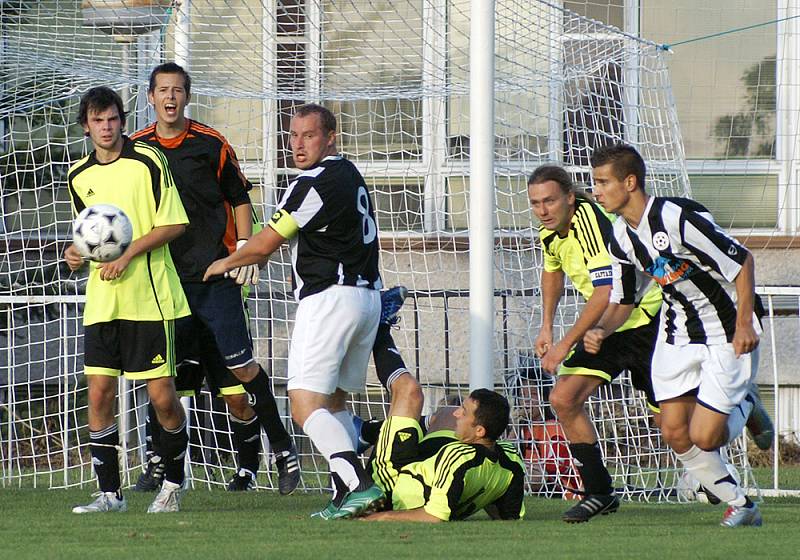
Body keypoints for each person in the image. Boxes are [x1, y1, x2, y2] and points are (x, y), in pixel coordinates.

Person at [204, 103, 384, 517]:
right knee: (333, 404)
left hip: (330, 301)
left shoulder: (310, 183)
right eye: (293, 136)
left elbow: (266, 242)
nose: (298, 145)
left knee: (304, 405)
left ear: (331, 137)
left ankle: (359, 483)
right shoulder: (349, 174)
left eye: (309, 135)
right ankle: (347, 485)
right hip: (366, 299)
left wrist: (225, 262)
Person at [130, 62, 299, 494]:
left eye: (178, 90)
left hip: (214, 277)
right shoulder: (137, 151)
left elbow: (239, 197)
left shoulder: (211, 143)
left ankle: (279, 452)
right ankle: (160, 465)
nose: (170, 97)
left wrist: (244, 248)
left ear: (187, 96)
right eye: (163, 90)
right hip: (165, 283)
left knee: (240, 376)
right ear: (150, 97)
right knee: (164, 378)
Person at [585, 143, 764, 527]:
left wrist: (745, 323)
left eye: (602, 182)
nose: (596, 191)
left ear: (629, 182)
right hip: (678, 331)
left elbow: (742, 261)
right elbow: (623, 299)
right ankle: (741, 504)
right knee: (673, 430)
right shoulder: (620, 236)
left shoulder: (677, 218)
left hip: (726, 329)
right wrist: (601, 329)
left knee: (706, 436)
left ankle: (747, 401)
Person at [65, 86, 190, 513]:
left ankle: (173, 483)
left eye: (113, 118)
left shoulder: (148, 161)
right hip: (103, 301)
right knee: (99, 394)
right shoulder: (78, 176)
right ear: (87, 126)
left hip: (150, 297)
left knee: (161, 398)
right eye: (98, 120)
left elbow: (174, 224)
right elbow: (90, 236)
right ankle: (109, 494)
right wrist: (77, 254)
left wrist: (128, 252)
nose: (106, 126)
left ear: (122, 120)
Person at [529, 164, 663, 522]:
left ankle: (739, 404)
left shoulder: (588, 219)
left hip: (644, 321)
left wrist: (562, 345)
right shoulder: (550, 231)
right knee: (563, 397)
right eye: (536, 203)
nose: (543, 210)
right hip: (605, 328)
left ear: (570, 198)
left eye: (550, 201)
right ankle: (599, 492)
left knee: (672, 426)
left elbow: (606, 292)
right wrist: (546, 327)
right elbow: (552, 271)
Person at [355, 316, 524, 521]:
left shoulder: (457, 457)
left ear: (480, 431)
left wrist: (377, 517)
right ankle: (367, 431)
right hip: (428, 469)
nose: (457, 413)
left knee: (410, 392)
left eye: (464, 411)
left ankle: (380, 327)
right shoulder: (510, 459)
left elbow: (434, 516)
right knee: (445, 413)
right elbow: (506, 514)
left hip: (393, 481)